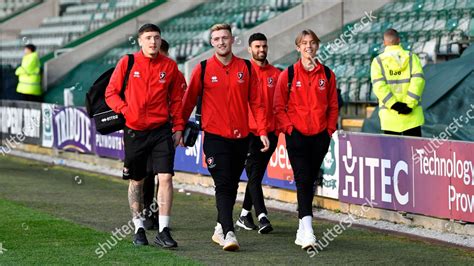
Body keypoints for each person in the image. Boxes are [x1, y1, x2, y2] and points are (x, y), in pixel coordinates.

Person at [182, 23, 269, 251]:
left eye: (225, 38)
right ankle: (229, 233)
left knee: (231, 184)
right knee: (222, 183)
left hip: (241, 138)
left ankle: (220, 227)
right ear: (212, 42)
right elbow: (188, 100)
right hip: (214, 137)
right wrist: (177, 129)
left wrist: (262, 131)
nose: (221, 42)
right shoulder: (202, 68)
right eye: (217, 38)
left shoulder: (246, 68)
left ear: (232, 40)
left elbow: (257, 103)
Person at [105, 24, 184, 248]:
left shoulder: (169, 66)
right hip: (135, 131)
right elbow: (110, 93)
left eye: (156, 38)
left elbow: (177, 99)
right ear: (140, 41)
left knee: (166, 177)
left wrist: (178, 127)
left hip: (161, 131)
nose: (153, 42)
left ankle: (163, 230)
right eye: (148, 38)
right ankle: (139, 227)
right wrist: (125, 109)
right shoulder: (128, 62)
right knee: (137, 181)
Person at [273, 29, 338, 250]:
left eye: (312, 42)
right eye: (304, 43)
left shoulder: (328, 74)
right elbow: (278, 107)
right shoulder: (288, 74)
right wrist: (289, 129)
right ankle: (308, 230)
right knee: (303, 179)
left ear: (317, 46)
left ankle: (302, 228)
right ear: (297, 47)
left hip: (320, 136)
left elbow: (333, 105)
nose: (308, 46)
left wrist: (328, 131)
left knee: (310, 179)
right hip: (297, 137)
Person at [235, 33, 280, 234]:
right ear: (249, 49)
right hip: (249, 133)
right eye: (257, 46)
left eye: (264, 46)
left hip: (270, 132)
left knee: (256, 175)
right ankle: (262, 216)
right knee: (254, 174)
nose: (261, 50)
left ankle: (245, 214)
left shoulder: (276, 74)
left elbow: (280, 104)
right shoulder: (243, 71)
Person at [143, 39, 187, 231]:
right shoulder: (146, 71)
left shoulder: (175, 74)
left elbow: (181, 102)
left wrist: (179, 128)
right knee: (146, 173)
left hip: (165, 130)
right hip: (146, 130)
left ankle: (159, 216)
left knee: (163, 176)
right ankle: (147, 211)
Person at [370, 28, 425, 136]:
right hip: (412, 117)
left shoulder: (378, 61)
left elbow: (379, 87)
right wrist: (409, 105)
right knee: (414, 151)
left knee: (392, 152)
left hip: (390, 118)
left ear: (384, 42)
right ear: (399, 40)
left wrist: (394, 105)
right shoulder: (411, 57)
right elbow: (418, 81)